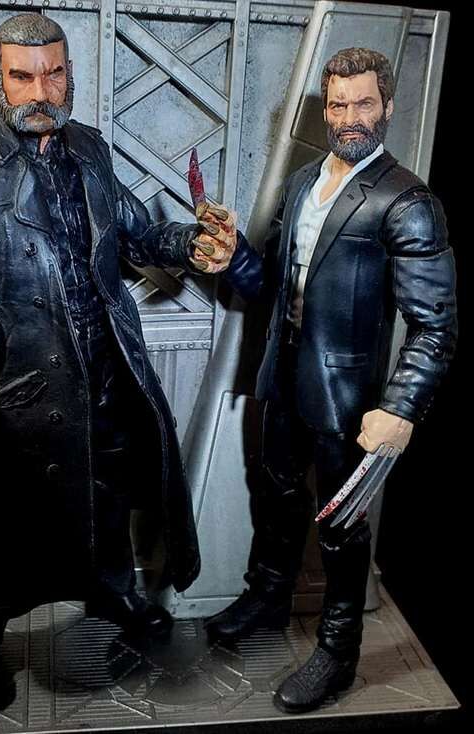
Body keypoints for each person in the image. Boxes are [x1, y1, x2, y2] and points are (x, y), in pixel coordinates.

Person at [0, 13, 236, 713]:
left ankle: (111, 591)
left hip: (104, 371)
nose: (41, 91)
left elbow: (138, 232)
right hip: (8, 383)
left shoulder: (90, 150)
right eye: (23, 76)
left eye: (54, 73)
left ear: (69, 74)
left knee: (104, 494)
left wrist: (191, 244)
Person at [205, 47, 457, 713]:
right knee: (276, 492)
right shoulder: (303, 183)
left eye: (363, 104)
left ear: (387, 106)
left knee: (342, 525)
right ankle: (268, 597)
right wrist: (233, 258)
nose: (349, 118)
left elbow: (435, 325)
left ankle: (339, 653)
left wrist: (401, 407)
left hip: (349, 397)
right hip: (284, 374)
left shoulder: (407, 201)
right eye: (339, 105)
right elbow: (272, 284)